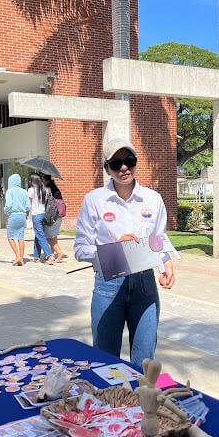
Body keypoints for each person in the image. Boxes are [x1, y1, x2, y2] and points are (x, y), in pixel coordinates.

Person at [74, 138, 175, 365]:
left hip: (145, 285)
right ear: (107, 169)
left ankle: (141, 401)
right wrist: (116, 249)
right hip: (108, 286)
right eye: (116, 163)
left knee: (144, 362)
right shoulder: (94, 200)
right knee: (104, 360)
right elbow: (80, 249)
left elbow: (159, 242)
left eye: (129, 161)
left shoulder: (153, 199)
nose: (123, 168)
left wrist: (166, 265)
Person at [27, 174, 56, 264]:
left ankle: (49, 255)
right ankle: (36, 256)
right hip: (44, 213)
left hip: (36, 214)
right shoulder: (46, 189)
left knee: (40, 235)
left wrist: (27, 213)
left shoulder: (31, 190)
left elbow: (29, 203)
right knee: (38, 235)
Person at [3, 173, 30, 266]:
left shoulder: (10, 191)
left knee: (10, 237)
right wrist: (25, 214)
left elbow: (8, 205)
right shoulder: (24, 192)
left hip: (13, 215)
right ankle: (21, 258)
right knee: (21, 238)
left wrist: (6, 211)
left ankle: (18, 256)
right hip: (22, 216)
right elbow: (28, 206)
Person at [41, 174, 65, 262]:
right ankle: (51, 254)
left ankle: (59, 252)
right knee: (53, 236)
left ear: (47, 181)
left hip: (51, 217)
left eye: (42, 180)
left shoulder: (48, 191)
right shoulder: (56, 190)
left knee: (48, 237)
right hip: (58, 216)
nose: (42, 182)